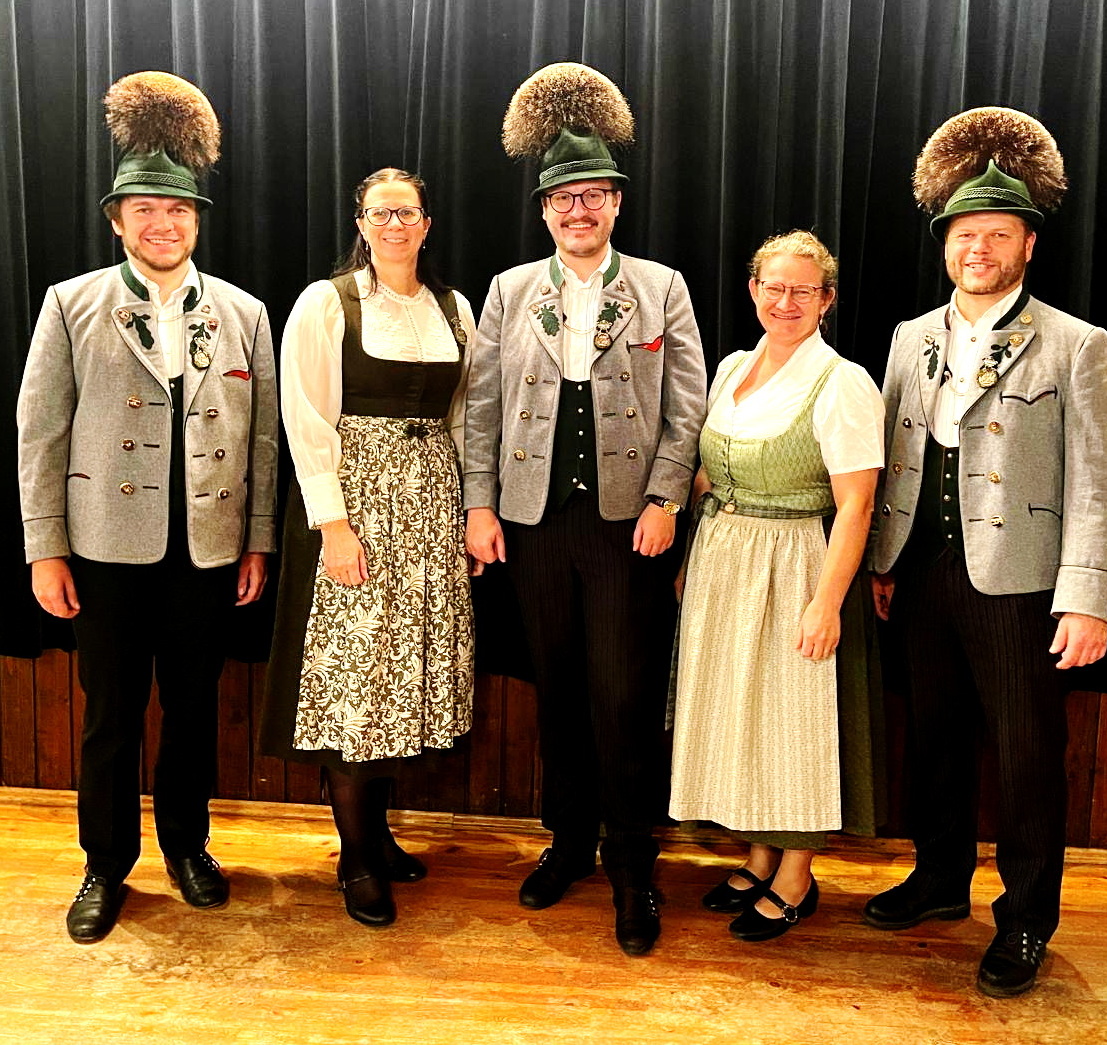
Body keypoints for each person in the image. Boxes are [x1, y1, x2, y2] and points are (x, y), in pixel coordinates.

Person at [865, 108, 1107, 997]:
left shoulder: (1077, 344)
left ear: (1027, 246)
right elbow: (895, 453)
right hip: (922, 569)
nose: (977, 248)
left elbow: (1100, 481)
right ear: (946, 244)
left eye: (996, 235)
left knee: (1023, 756)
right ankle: (939, 878)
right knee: (933, 739)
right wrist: (882, 562)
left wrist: (1086, 596)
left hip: (1020, 583)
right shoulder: (911, 336)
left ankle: (1024, 919)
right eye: (964, 235)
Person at [15, 72, 278, 944]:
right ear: (117, 220)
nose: (162, 224)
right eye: (144, 211)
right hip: (104, 547)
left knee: (193, 709)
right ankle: (104, 863)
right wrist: (45, 547)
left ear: (195, 219)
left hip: (207, 546)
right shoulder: (71, 304)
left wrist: (257, 541)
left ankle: (188, 846)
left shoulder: (243, 312)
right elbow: (40, 433)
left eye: (176, 210)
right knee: (110, 715)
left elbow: (263, 439)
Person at [463, 63, 707, 955]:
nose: (579, 210)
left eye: (593, 196)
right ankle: (567, 842)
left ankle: (632, 865)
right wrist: (479, 505)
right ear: (544, 210)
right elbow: (481, 406)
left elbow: (688, 405)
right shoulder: (507, 290)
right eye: (564, 198)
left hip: (624, 524)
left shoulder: (661, 287)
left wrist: (665, 496)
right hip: (531, 521)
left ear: (615, 205)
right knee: (558, 687)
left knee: (624, 693)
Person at [260, 167, 475, 927]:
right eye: (380, 213)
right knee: (353, 680)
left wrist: (463, 514)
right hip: (356, 505)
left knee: (396, 682)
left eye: (406, 212)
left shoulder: (454, 308)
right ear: (360, 222)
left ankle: (377, 837)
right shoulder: (327, 303)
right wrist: (334, 526)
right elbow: (305, 417)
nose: (394, 225)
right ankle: (354, 857)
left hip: (429, 507)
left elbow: (463, 415)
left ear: (426, 223)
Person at [669, 231, 885, 942]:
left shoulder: (843, 382)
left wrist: (826, 602)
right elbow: (707, 472)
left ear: (826, 300)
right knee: (744, 710)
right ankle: (759, 853)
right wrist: (688, 557)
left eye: (802, 290)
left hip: (795, 561)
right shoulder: (733, 366)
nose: (785, 301)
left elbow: (856, 504)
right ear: (753, 290)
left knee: (794, 719)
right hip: (724, 558)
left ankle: (795, 873)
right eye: (773, 287)